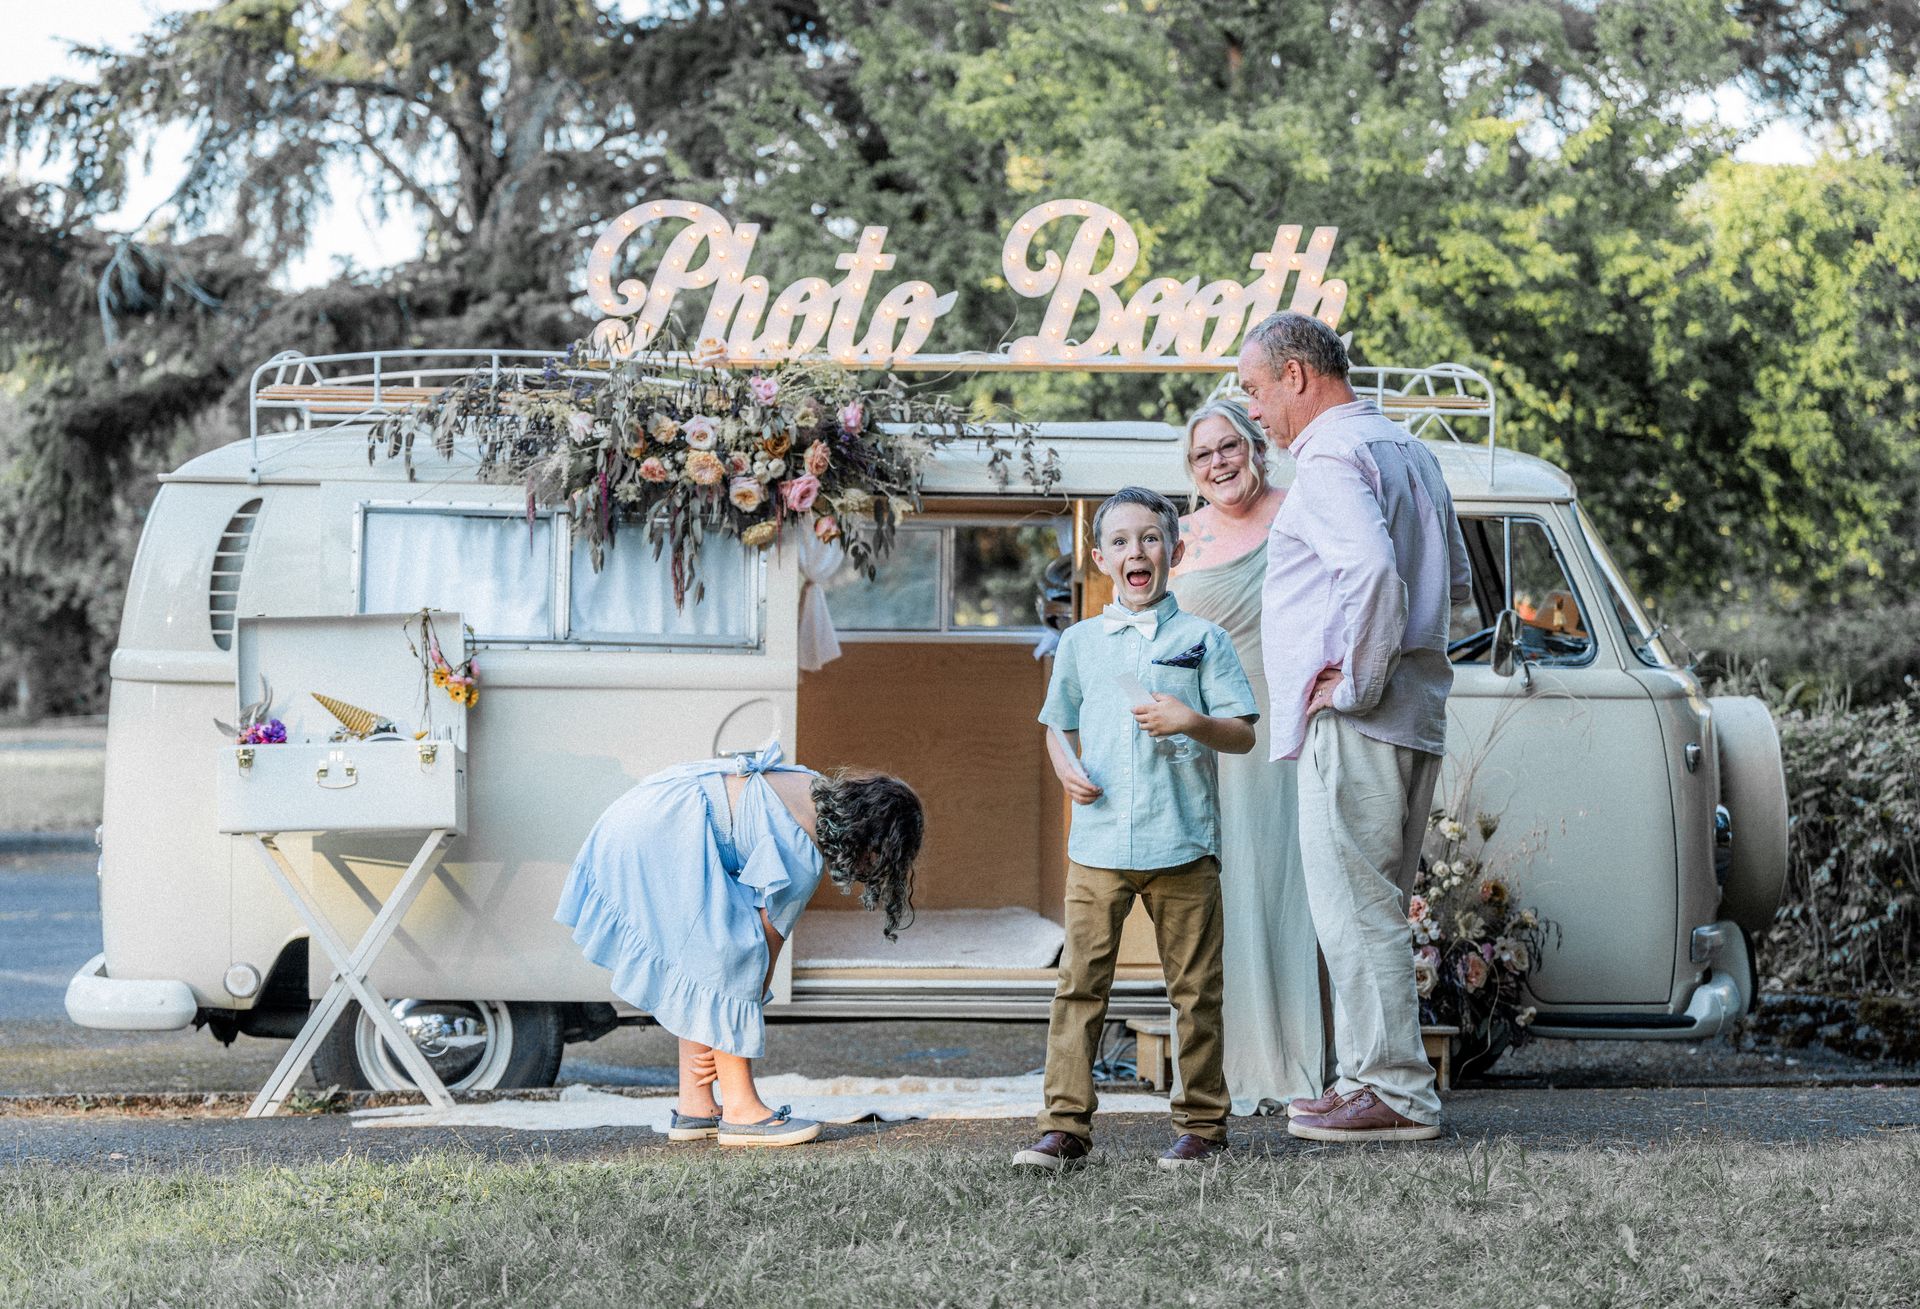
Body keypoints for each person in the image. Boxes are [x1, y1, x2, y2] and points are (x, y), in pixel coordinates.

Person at [1239, 311, 1472, 1143]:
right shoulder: (1409, 449)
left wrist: (1356, 683)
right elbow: (1461, 584)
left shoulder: (1331, 456)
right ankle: (1364, 1078)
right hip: (1417, 714)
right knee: (1375, 897)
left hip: (1364, 719)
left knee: (1354, 905)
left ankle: (1396, 1093)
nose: (1254, 412)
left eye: (1256, 390)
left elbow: (1371, 571)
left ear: (1297, 375)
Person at [1014, 486, 1259, 1172]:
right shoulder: (1082, 643)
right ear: (1099, 559)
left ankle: (1203, 1127)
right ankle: (1064, 1126)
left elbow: (1240, 734)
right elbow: (1055, 725)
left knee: (1195, 989)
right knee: (1080, 985)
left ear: (1173, 551)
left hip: (1182, 841)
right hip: (1097, 845)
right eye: (1119, 541)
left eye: (1149, 538)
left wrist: (1192, 721)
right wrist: (1066, 768)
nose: (1135, 552)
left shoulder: (1203, 641)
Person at [555, 743, 923, 1147]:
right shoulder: (802, 851)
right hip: (660, 836)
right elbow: (763, 952)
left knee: (704, 961)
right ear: (870, 845)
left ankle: (696, 1107)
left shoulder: (809, 783)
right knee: (734, 960)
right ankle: (743, 1112)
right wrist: (742, 1007)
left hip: (649, 811)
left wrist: (723, 1013)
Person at [1171, 397, 1327, 1115]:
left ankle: (1299, 1058)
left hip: (1288, 723)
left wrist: (1338, 673)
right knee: (1218, 893)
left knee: (1290, 884)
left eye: (1228, 445)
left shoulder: (1300, 509)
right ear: (1191, 470)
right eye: (1203, 455)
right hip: (1206, 732)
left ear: (1254, 446)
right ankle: (1227, 1064)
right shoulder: (1179, 540)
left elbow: (1347, 592)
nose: (1219, 463)